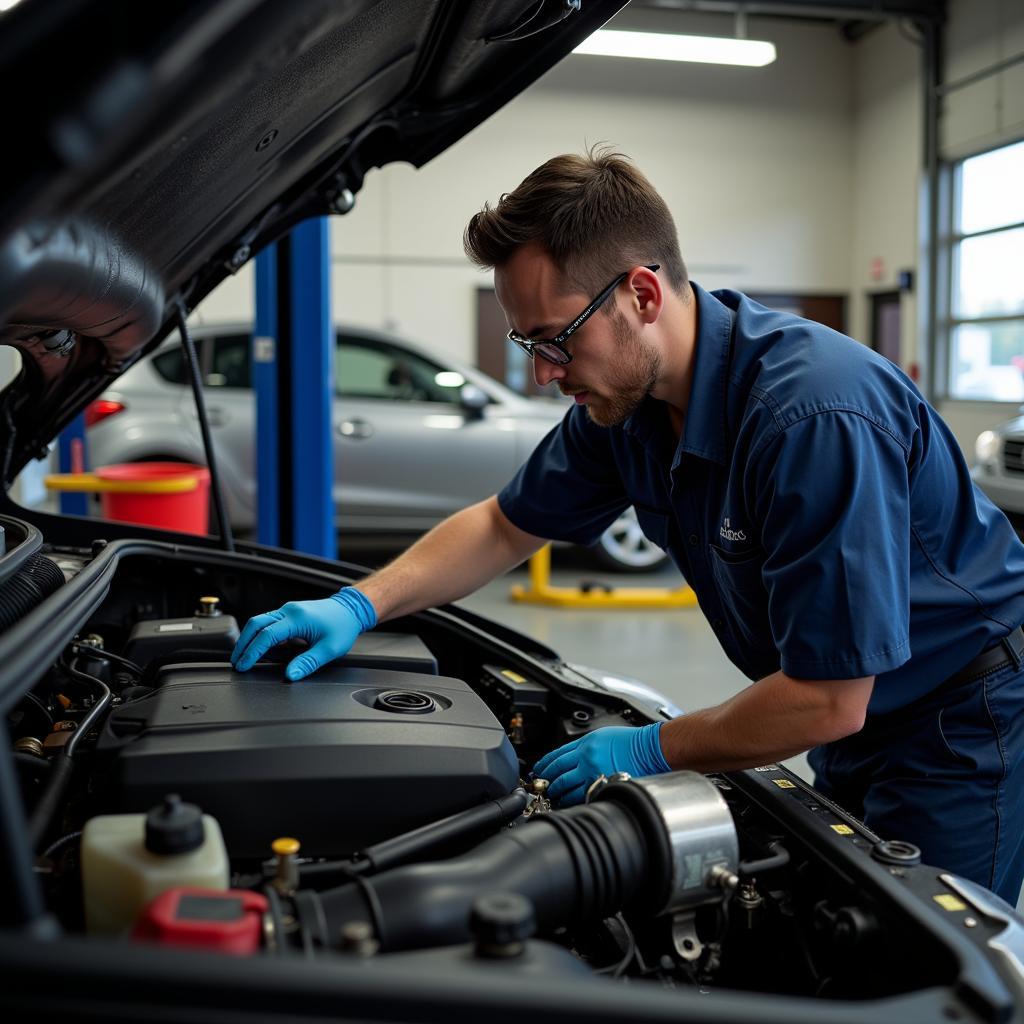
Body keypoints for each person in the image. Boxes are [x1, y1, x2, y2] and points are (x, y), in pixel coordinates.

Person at [231, 148, 1024, 903]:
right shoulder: (628, 408)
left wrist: (654, 748)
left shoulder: (812, 416)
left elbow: (826, 699)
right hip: (858, 716)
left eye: (554, 339)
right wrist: (357, 604)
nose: (542, 373)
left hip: (961, 726)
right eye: (526, 344)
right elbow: (505, 526)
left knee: (928, 973)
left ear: (642, 295)